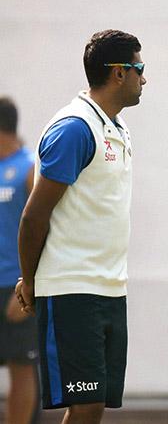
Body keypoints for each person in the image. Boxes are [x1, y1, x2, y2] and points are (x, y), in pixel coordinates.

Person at [15, 29, 146, 424]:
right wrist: (30, 280)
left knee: (94, 406)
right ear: (118, 73)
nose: (145, 78)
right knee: (84, 406)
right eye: (140, 68)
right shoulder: (74, 128)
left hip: (110, 288)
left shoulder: (117, 128)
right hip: (72, 288)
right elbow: (34, 216)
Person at [0, 97, 39, 424]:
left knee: (22, 369)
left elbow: (44, 230)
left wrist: (29, 283)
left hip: (15, 287)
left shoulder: (29, 168)